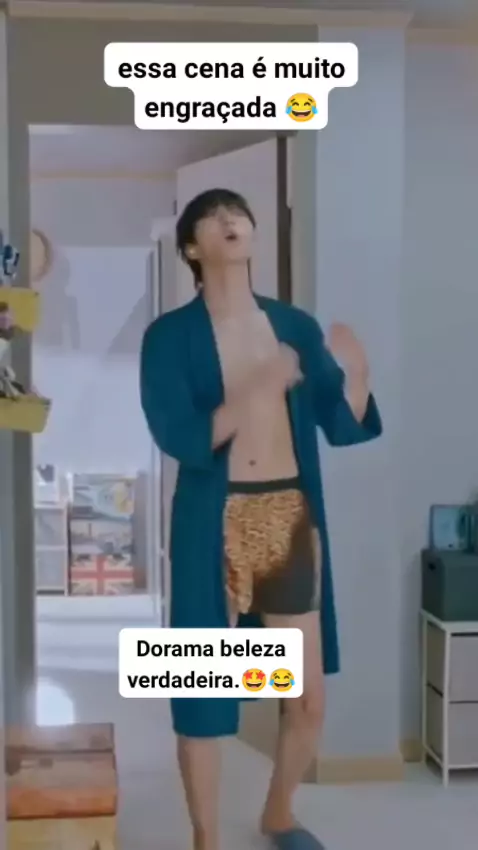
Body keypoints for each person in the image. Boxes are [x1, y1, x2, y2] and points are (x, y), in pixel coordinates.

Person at [140, 188, 382, 850]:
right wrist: (259, 387)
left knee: (306, 698)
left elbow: (338, 420)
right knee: (203, 692)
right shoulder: (169, 336)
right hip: (211, 521)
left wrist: (358, 378)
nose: (231, 221)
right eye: (213, 217)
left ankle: (279, 813)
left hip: (287, 514)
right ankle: (206, 839)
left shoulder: (294, 326)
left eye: (238, 214)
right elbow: (179, 434)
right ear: (191, 247)